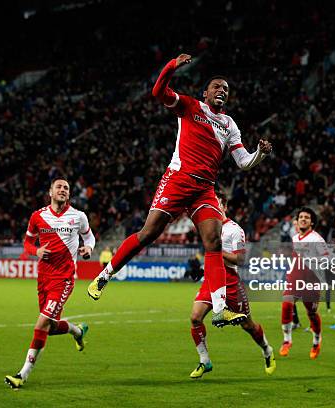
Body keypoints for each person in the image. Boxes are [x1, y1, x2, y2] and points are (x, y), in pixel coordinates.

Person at [87, 53, 272, 328]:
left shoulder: (230, 124)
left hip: (204, 189)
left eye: (226, 89)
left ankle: (220, 309)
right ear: (205, 92)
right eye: (217, 87)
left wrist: (260, 153)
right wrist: (172, 66)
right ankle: (105, 275)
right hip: (179, 179)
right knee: (148, 233)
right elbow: (158, 91)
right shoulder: (189, 106)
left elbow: (243, 162)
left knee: (214, 242)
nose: (222, 91)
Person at [5, 178, 95, 389]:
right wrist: (36, 251)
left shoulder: (78, 217)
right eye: (59, 187)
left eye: (66, 188)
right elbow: (27, 242)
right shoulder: (38, 216)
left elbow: (90, 238)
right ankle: (77, 331)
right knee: (51, 327)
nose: (63, 190)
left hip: (64, 279)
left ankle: (22, 374)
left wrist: (88, 249)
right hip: (43, 278)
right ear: (50, 192)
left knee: (41, 324)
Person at [189, 193, 275, 378]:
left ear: (225, 207)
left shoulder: (235, 230)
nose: (213, 206)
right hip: (211, 279)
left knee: (247, 325)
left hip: (230, 282)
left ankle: (267, 350)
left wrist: (217, 252)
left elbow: (241, 259)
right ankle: (205, 361)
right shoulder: (207, 226)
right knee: (195, 317)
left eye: (217, 203)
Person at [280, 207, 331, 359]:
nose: (303, 219)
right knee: (287, 303)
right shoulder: (295, 238)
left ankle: (316, 341)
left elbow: (327, 259)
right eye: (301, 217)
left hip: (311, 281)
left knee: (312, 313)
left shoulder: (317, 239)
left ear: (312, 222)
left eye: (306, 217)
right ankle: (287, 340)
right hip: (295, 278)